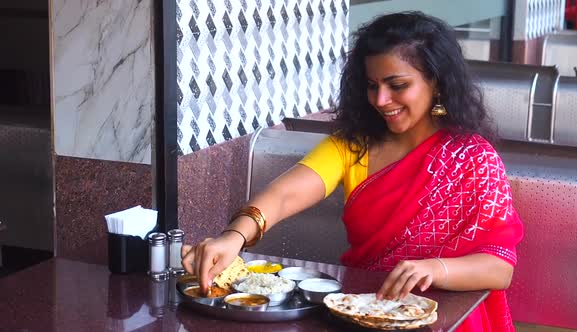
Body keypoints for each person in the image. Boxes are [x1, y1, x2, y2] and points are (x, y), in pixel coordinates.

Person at [182, 11, 524, 332]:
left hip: (445, 317)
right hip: (364, 309)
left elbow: (499, 268)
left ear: (435, 81)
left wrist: (433, 269)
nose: (381, 99)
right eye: (372, 85)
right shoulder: (353, 145)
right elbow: (284, 196)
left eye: (397, 85)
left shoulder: (474, 158)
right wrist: (233, 237)